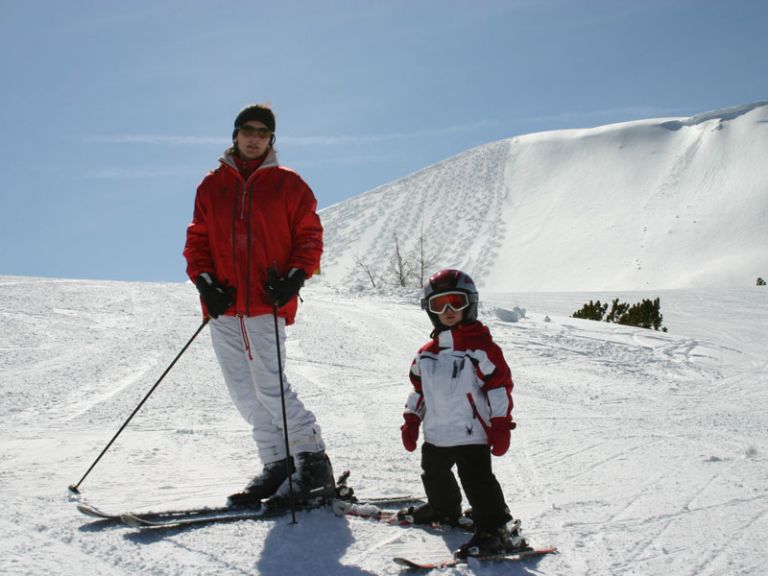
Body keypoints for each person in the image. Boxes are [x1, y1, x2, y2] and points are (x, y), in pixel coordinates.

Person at [183, 103, 335, 507]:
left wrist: (295, 278)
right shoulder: (211, 186)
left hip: (266, 301)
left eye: (262, 132)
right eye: (247, 130)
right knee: (243, 393)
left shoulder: (289, 185)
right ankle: (277, 465)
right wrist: (205, 283)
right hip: (224, 306)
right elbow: (197, 241)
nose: (253, 138)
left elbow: (309, 238)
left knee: (270, 386)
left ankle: (314, 464)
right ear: (234, 135)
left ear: (271, 140)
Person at [399, 269, 528, 558]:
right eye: (439, 304)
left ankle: (495, 528)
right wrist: (411, 418)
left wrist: (500, 424)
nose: (447, 311)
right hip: (436, 434)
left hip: (472, 433)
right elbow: (419, 391)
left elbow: (499, 388)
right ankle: (444, 509)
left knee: (478, 481)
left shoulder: (481, 348)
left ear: (470, 303)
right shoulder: (426, 354)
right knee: (434, 473)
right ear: (429, 309)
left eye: (455, 302)